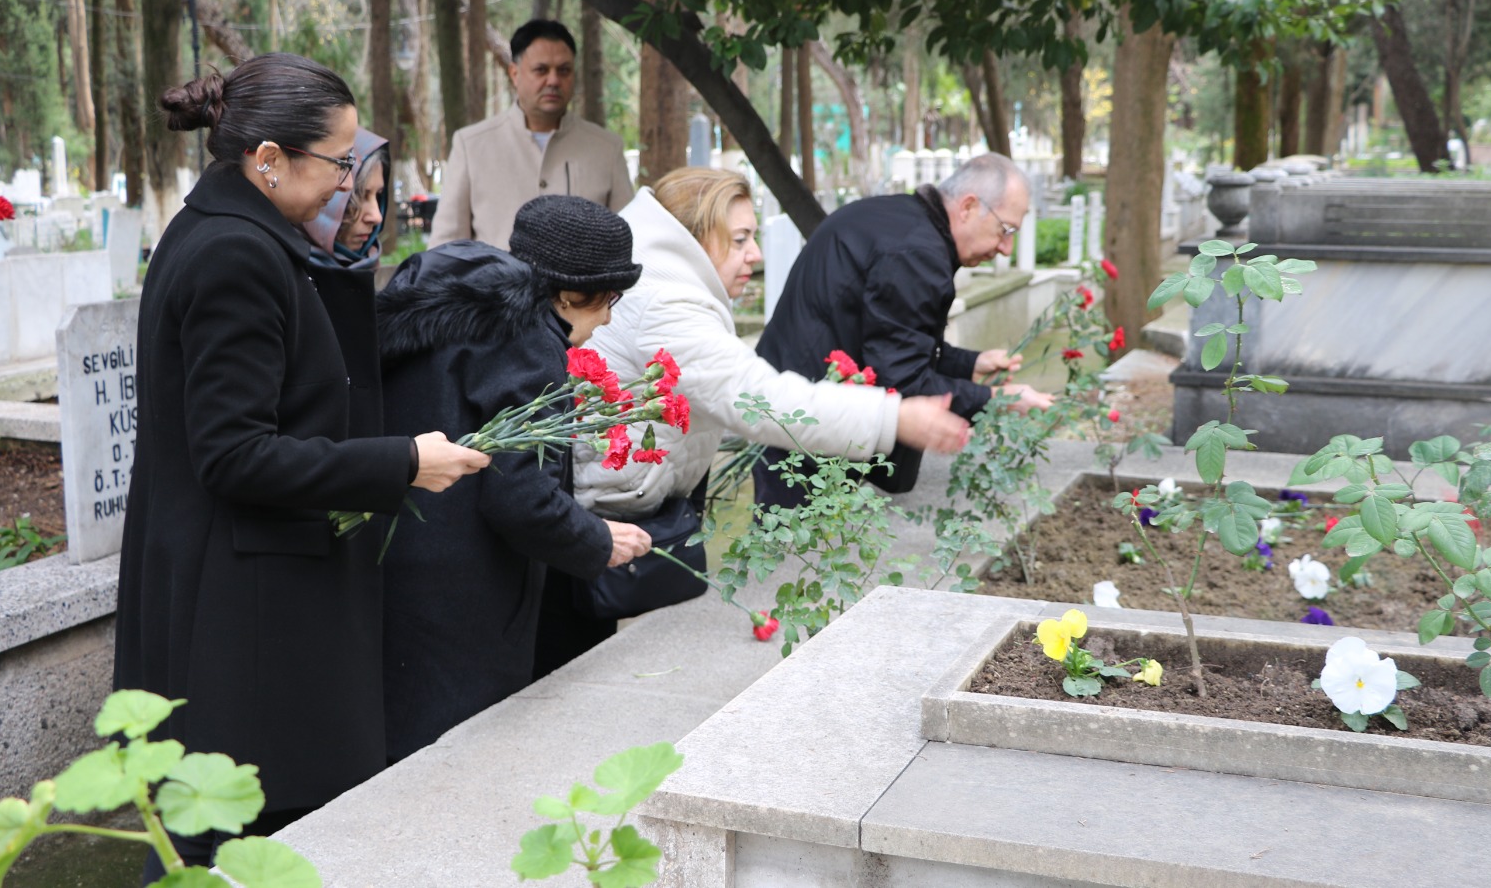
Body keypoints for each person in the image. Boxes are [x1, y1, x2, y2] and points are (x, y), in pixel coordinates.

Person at [114, 53, 489, 882]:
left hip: (242, 589)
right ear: (270, 159)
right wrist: (401, 463)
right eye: (338, 163)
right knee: (227, 849)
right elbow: (234, 453)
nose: (347, 184)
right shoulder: (233, 257)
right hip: (240, 613)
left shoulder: (229, 234)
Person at [564, 168, 971, 671]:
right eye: (739, 240)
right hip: (600, 508)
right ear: (693, 237)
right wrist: (891, 417)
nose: (754, 254)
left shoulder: (664, 274)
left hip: (619, 496)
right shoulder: (665, 300)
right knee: (579, 658)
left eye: (753, 237)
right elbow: (755, 398)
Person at [377, 196, 653, 763]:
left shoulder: (444, 296)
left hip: (394, 553)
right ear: (582, 292)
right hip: (467, 587)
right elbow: (520, 496)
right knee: (457, 750)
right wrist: (599, 540)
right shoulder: (528, 337)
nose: (606, 321)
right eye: (610, 301)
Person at [755, 153, 1053, 503]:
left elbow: (894, 340)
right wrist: (998, 399)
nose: (1006, 248)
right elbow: (903, 380)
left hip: (799, 397)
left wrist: (970, 364)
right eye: (1005, 230)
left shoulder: (903, 219)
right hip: (807, 418)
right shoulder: (916, 253)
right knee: (796, 544)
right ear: (969, 207)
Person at [429, 19, 633, 248]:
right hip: (496, 285)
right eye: (541, 70)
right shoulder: (472, 146)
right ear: (515, 74)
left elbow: (628, 240)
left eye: (564, 70)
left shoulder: (606, 148)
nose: (554, 80)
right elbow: (445, 249)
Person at [301, 127, 391, 269]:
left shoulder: (367, 266)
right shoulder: (281, 269)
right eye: (359, 196)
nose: (376, 217)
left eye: (378, 195)